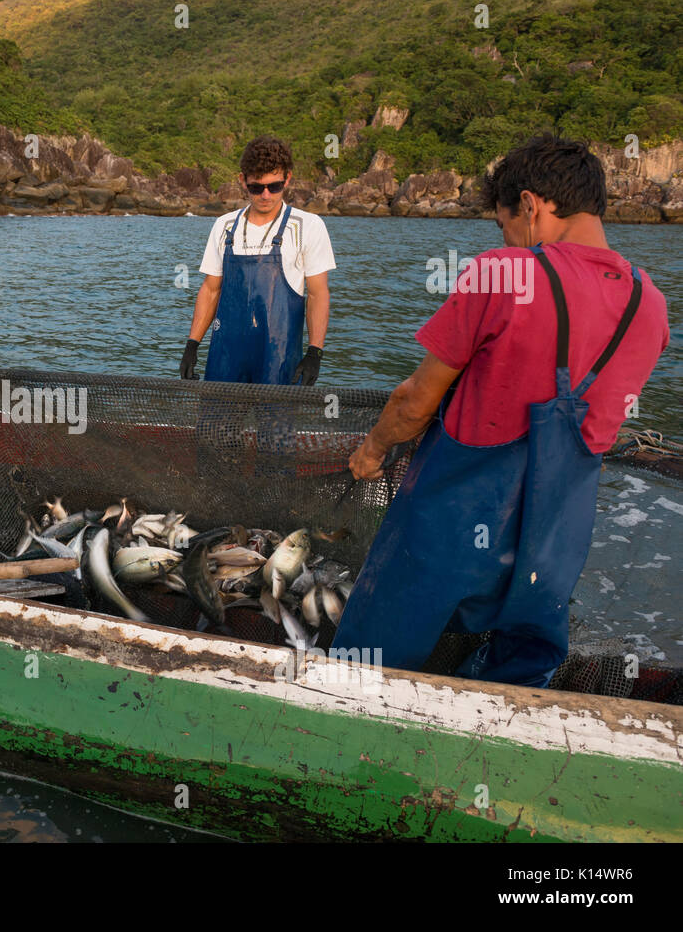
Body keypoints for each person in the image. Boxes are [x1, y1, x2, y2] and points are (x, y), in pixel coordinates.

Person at [332, 135, 669, 688]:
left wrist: (371, 451)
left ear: (531, 206)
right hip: (554, 537)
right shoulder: (649, 304)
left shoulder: (503, 273)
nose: (508, 238)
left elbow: (416, 401)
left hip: (454, 518)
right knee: (519, 676)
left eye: (504, 223)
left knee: (366, 665)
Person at [181, 136, 334, 385]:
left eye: (274, 186)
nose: (265, 195)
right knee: (214, 425)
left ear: (287, 179)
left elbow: (318, 294)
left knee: (275, 425)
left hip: (280, 357)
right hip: (225, 356)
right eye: (256, 187)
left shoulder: (309, 226)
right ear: (242, 181)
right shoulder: (224, 225)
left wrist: (315, 352)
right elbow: (210, 290)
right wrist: (192, 345)